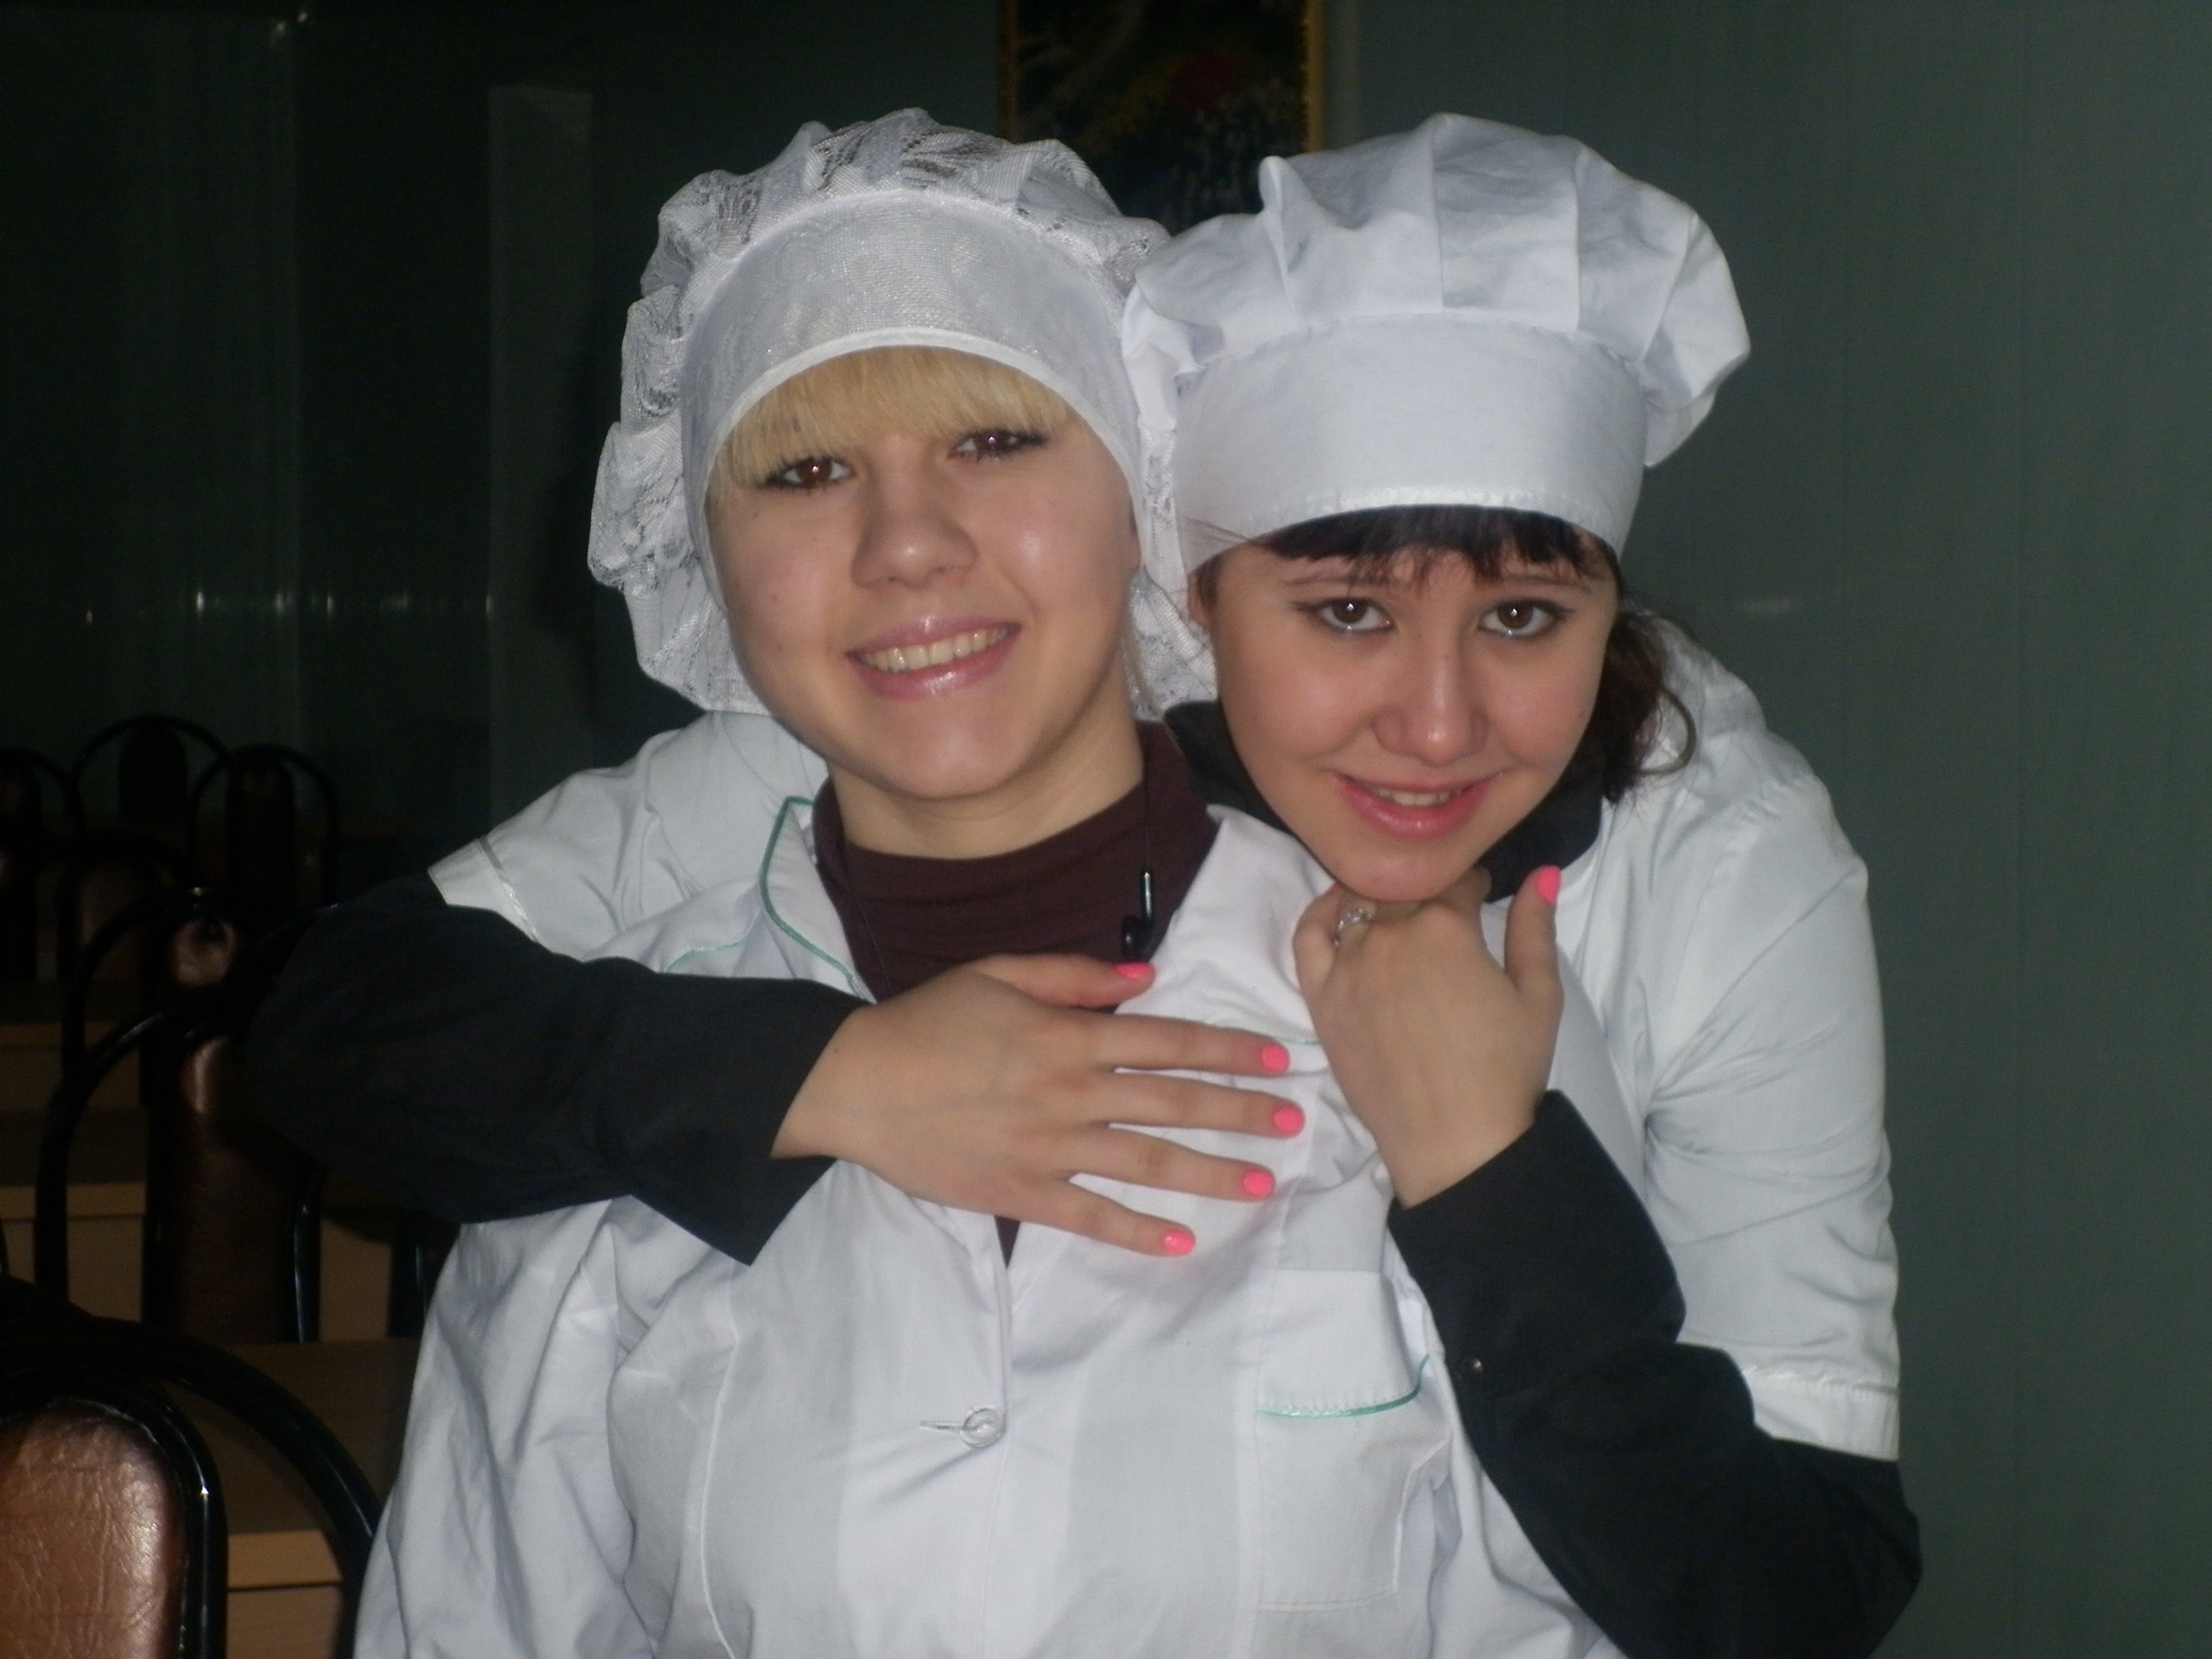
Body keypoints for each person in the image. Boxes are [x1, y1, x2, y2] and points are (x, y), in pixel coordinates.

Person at [264, 115, 1918, 1656]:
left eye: (995, 439)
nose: (907, 545)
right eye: (804, 470)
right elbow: (481, 1597)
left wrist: (1489, 1181)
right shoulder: (617, 1006)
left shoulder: (1493, 1012)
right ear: (704, 556)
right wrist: (825, 1077)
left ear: (1144, 509)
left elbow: (1705, 1592)